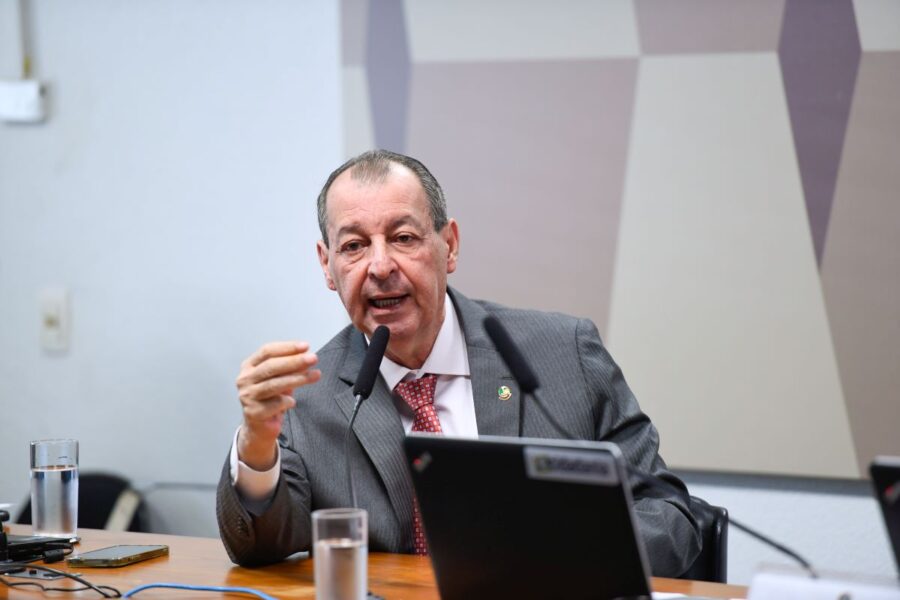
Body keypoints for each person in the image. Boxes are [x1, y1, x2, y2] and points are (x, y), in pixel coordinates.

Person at [216, 149, 701, 576]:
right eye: (354, 246)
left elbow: (670, 515)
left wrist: (560, 561)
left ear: (449, 245)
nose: (380, 266)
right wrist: (258, 442)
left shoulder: (564, 354)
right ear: (327, 266)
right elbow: (259, 546)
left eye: (403, 237)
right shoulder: (305, 393)